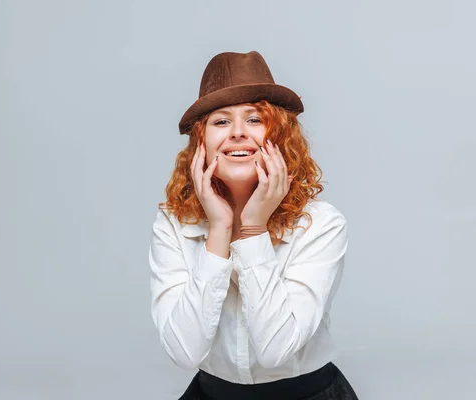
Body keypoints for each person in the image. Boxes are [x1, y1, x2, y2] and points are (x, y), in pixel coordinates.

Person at [149, 51, 359, 400]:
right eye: (220, 122)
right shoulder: (173, 224)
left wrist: (253, 229)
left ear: (278, 137)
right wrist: (218, 228)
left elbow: (276, 350)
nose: (237, 133)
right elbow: (185, 353)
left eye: (254, 120)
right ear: (200, 142)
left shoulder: (322, 224)